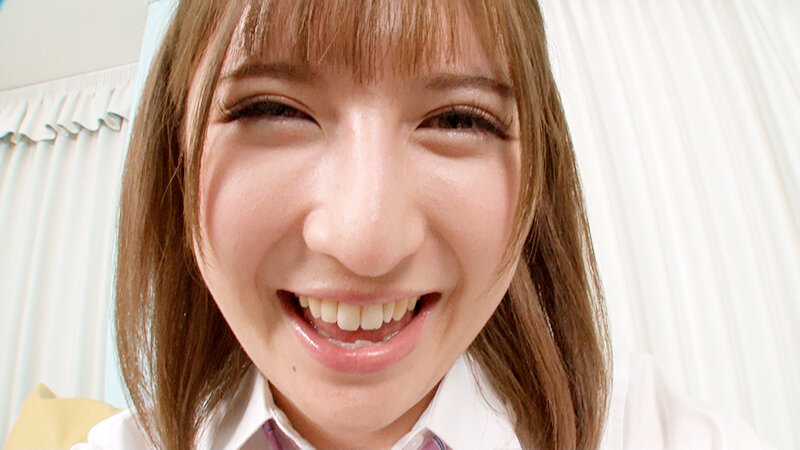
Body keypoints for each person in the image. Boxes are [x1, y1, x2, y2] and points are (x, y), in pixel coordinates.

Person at [75, 0, 770, 449]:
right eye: (272, 109)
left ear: (539, 174)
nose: (366, 240)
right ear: (173, 153)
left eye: (458, 119)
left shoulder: (647, 431)